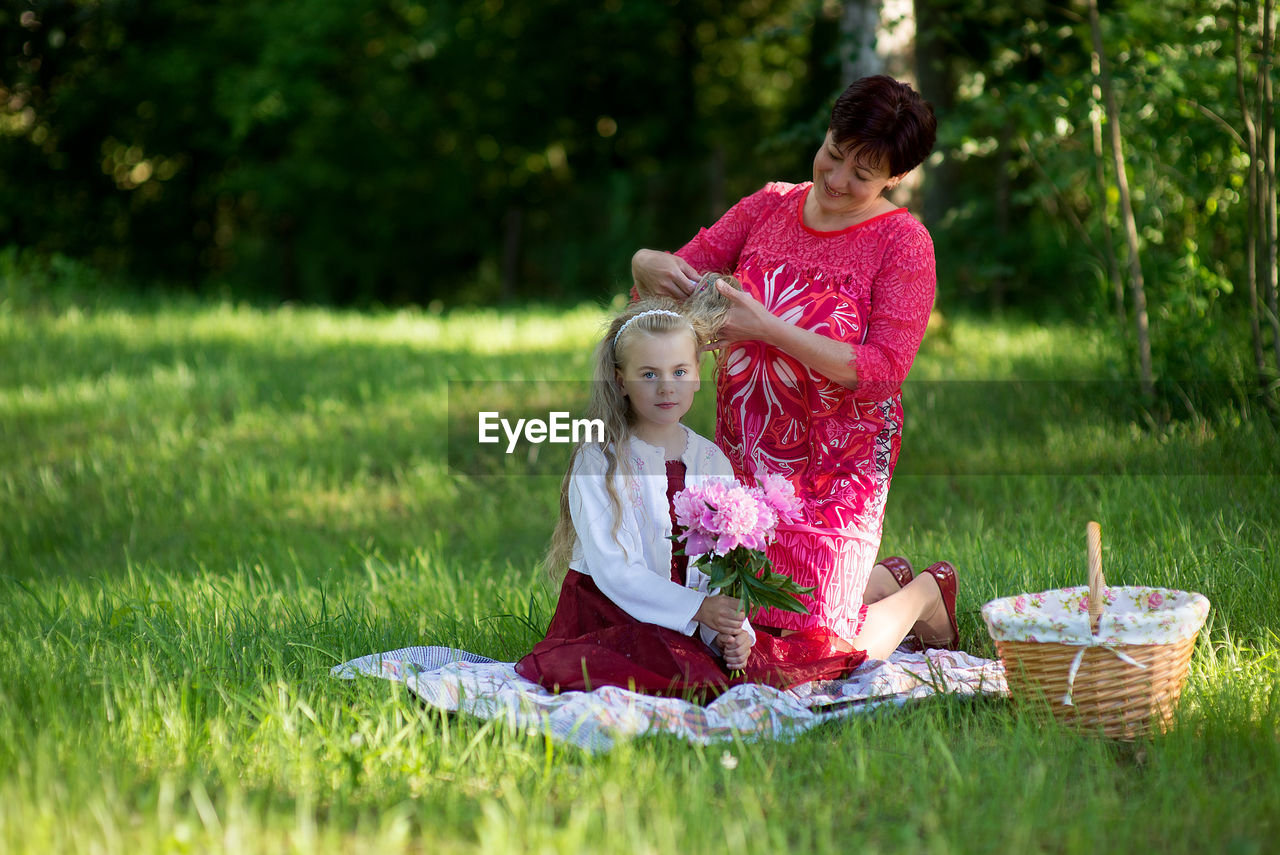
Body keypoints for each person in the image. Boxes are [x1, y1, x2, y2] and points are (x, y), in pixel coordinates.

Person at [629, 75, 959, 659]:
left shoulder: (904, 244)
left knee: (814, 657)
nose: (835, 180)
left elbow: (883, 372)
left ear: (897, 178)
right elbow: (660, 303)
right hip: (744, 470)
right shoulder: (769, 206)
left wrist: (767, 329)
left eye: (862, 175)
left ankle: (927, 592)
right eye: (833, 154)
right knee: (732, 638)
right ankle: (878, 582)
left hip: (839, 473)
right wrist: (644, 263)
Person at [515, 298, 872, 698]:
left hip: (686, 619)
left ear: (697, 375)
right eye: (649, 374)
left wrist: (730, 632)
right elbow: (615, 572)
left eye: (679, 371)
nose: (667, 386)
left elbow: (723, 566)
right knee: (675, 678)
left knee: (745, 673)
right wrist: (698, 611)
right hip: (608, 614)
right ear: (619, 381)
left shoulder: (709, 459)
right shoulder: (599, 460)